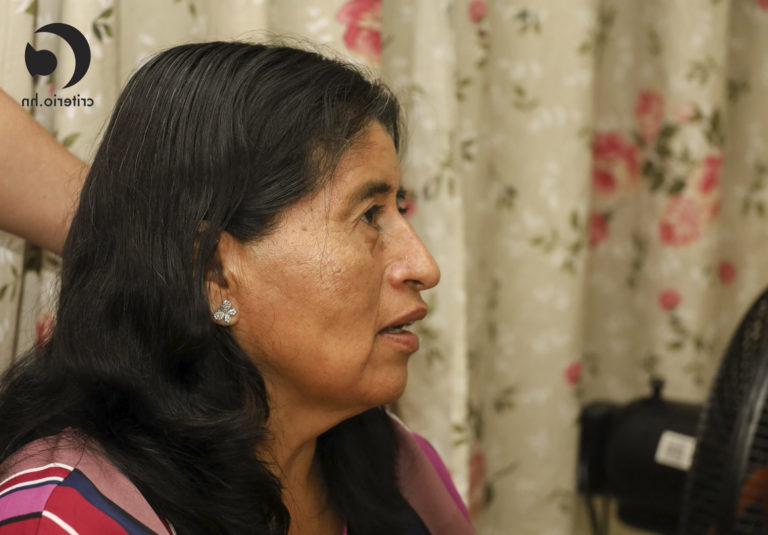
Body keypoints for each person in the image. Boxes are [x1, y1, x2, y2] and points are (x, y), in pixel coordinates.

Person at [0, 42, 474, 534]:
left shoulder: (403, 470)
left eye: (400, 208)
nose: (424, 267)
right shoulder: (67, 518)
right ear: (213, 272)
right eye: (370, 215)